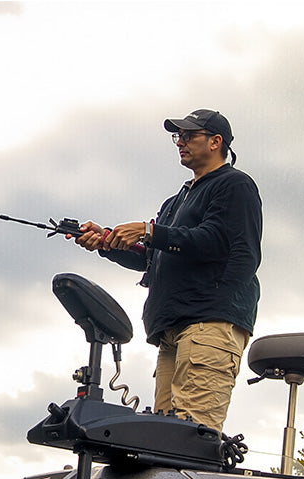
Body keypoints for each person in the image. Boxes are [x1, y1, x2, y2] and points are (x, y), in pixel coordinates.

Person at [69, 109, 262, 433]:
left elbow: (219, 241)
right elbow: (154, 258)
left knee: (192, 437)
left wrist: (149, 231)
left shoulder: (234, 185)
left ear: (216, 142)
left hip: (209, 323)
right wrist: (108, 242)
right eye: (178, 136)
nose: (180, 142)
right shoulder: (178, 200)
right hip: (173, 328)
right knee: (167, 439)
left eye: (189, 135)